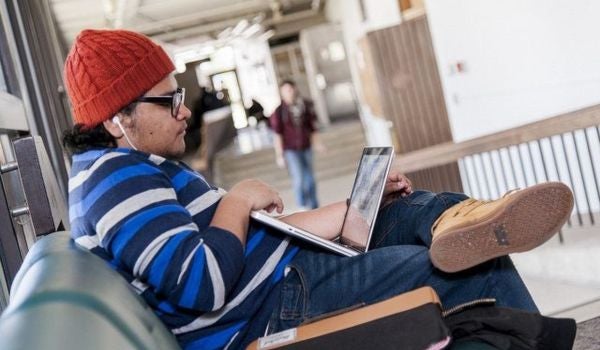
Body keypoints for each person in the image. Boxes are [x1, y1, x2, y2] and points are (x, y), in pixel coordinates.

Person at [62, 29, 574, 350]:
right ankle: (460, 229)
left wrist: (340, 214)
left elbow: (233, 242)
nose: (185, 110)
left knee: (399, 209)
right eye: (170, 99)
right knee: (471, 270)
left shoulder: (127, 168)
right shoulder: (114, 179)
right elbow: (203, 282)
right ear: (116, 119)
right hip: (271, 309)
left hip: (285, 277)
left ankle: (460, 218)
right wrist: (236, 200)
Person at [270, 80, 324, 210]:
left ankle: (315, 206)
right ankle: (302, 205)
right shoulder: (279, 112)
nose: (289, 92)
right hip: (290, 150)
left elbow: (313, 128)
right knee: (299, 178)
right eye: (285, 90)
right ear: (281, 93)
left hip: (306, 147)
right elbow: (277, 135)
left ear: (295, 89)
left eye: (290, 89)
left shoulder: (305, 106)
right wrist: (279, 155)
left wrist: (318, 144)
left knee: (310, 179)